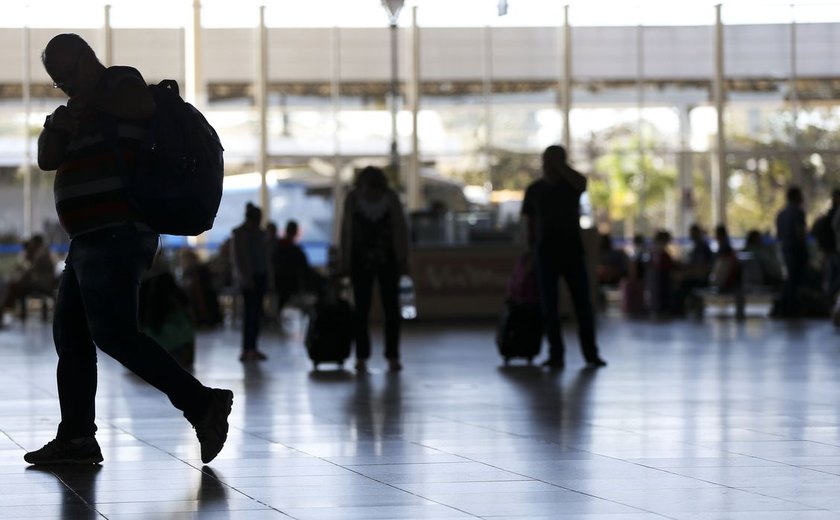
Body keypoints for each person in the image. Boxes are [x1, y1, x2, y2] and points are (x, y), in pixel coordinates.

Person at [26, 33, 232, 466]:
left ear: (90, 58)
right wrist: (57, 124)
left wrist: (87, 103)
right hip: (88, 238)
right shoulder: (74, 108)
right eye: (59, 80)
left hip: (118, 231)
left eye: (71, 71)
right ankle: (77, 439)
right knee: (72, 337)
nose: (67, 83)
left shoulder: (119, 83)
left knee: (114, 333)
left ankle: (202, 404)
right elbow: (47, 158)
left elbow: (140, 107)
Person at [521, 145, 606, 369]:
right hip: (545, 253)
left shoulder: (571, 185)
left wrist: (562, 168)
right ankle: (555, 354)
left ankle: (591, 354)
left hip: (572, 252)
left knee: (582, 305)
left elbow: (582, 184)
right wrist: (530, 252)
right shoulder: (535, 190)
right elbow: (530, 224)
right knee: (549, 307)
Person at [340, 166, 409, 373]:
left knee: (390, 309)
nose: (370, 194)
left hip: (387, 260)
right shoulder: (353, 200)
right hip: (361, 261)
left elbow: (401, 230)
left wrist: (403, 258)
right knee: (362, 309)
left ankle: (391, 355)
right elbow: (345, 231)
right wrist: (345, 260)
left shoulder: (389, 200)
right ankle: (363, 356)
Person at [231, 202, 269, 361]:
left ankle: (252, 347)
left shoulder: (254, 233)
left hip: (258, 276)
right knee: (250, 314)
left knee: (255, 314)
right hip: (250, 277)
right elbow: (240, 259)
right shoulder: (241, 234)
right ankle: (248, 348)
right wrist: (246, 278)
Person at [0, 234, 57, 324]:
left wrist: (18, 280)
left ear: (36, 243)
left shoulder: (41, 254)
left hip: (42, 285)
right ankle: (4, 309)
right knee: (14, 286)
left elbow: (29, 272)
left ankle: (3, 309)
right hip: (42, 283)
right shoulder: (43, 253)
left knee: (13, 286)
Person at [273, 220, 324, 316]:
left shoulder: (278, 246)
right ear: (296, 232)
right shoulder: (295, 250)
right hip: (291, 283)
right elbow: (305, 268)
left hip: (280, 281)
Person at [775, 186, 808, 317]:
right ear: (796, 197)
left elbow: (778, 235)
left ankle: (786, 307)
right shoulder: (798, 213)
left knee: (789, 279)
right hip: (796, 250)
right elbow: (800, 233)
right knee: (795, 280)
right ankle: (792, 308)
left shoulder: (781, 214)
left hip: (785, 250)